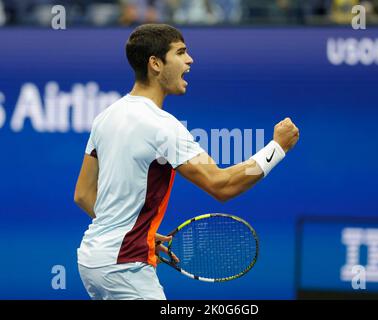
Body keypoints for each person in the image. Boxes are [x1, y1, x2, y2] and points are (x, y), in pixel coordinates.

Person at [74, 23, 299, 300]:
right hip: (125, 267)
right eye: (180, 52)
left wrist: (134, 231)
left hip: (92, 260)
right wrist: (277, 148)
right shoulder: (162, 126)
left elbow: (83, 195)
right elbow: (222, 185)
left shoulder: (106, 116)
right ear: (155, 64)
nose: (190, 60)